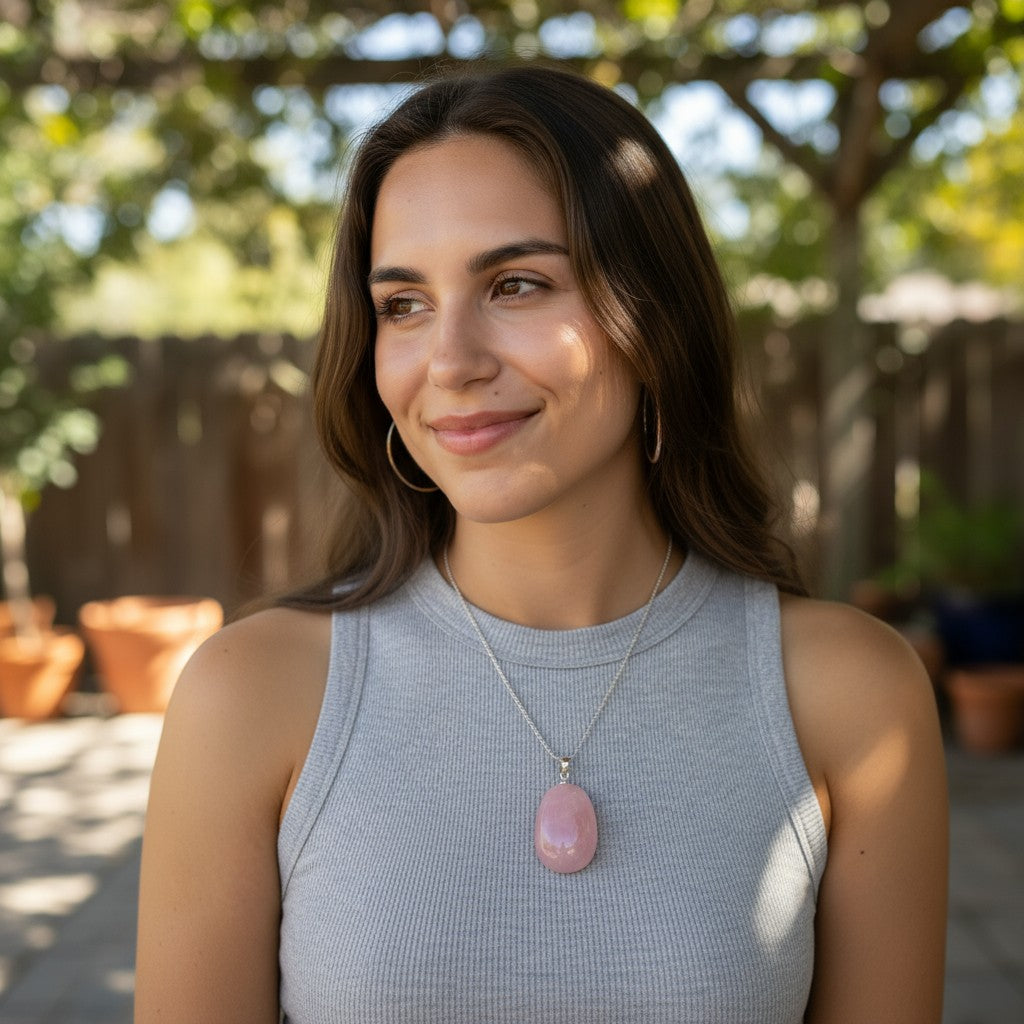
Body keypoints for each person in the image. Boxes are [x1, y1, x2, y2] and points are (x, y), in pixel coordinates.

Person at [135, 66, 948, 1023]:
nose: (450, 362)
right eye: (404, 304)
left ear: (654, 316)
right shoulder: (247, 698)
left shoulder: (851, 696)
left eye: (516, 284)